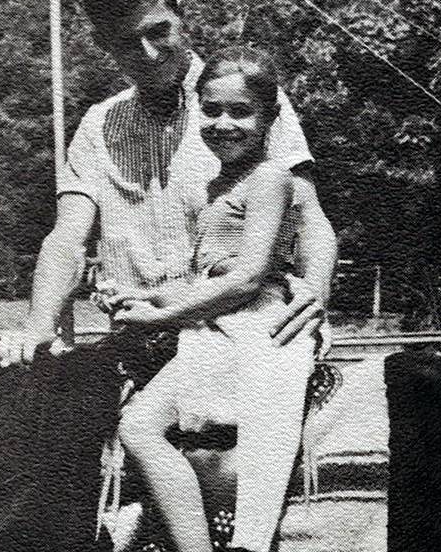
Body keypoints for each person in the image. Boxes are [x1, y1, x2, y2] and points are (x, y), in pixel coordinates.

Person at [0, 0, 335, 368]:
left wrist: (316, 294)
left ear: (181, 17)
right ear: (103, 44)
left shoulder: (242, 100)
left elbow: (309, 220)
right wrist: (39, 325)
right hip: (138, 344)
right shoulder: (97, 126)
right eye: (127, 42)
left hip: (236, 340)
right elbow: (67, 239)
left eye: (159, 32)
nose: (149, 53)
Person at [110, 46, 319, 552]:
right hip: (219, 323)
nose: (224, 124)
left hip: (254, 325)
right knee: (138, 426)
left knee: (250, 430)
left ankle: (243, 535)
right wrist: (145, 295)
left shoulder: (270, 177)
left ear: (270, 117)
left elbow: (248, 278)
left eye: (240, 111)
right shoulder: (216, 184)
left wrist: (162, 318)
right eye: (211, 110)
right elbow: (209, 276)